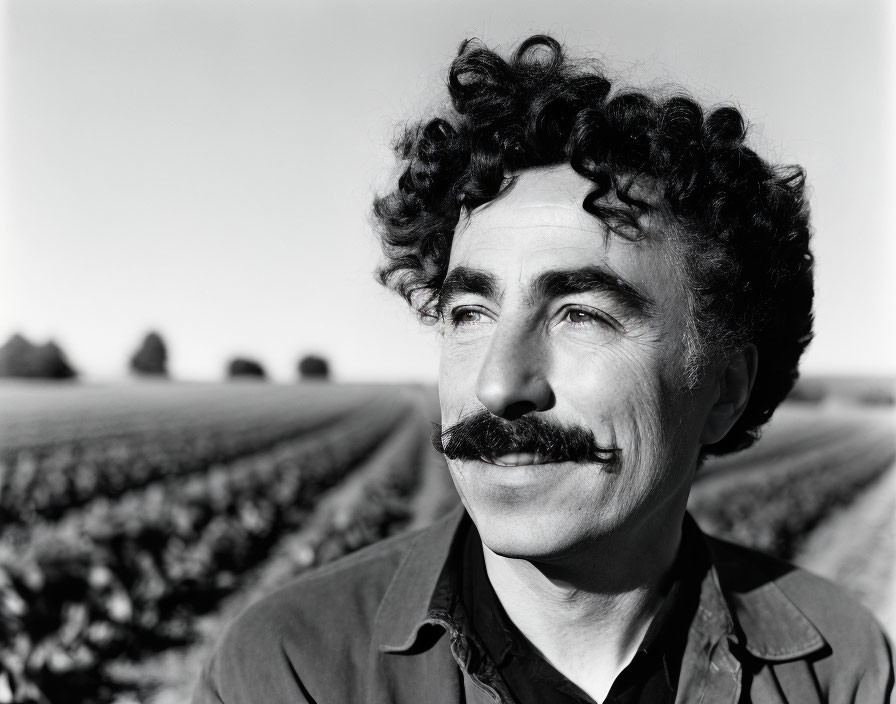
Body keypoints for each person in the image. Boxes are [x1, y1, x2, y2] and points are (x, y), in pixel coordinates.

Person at [193, 35, 894, 704]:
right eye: (469, 313)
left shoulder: (838, 665)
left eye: (580, 314)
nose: (499, 384)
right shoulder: (292, 669)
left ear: (725, 390)